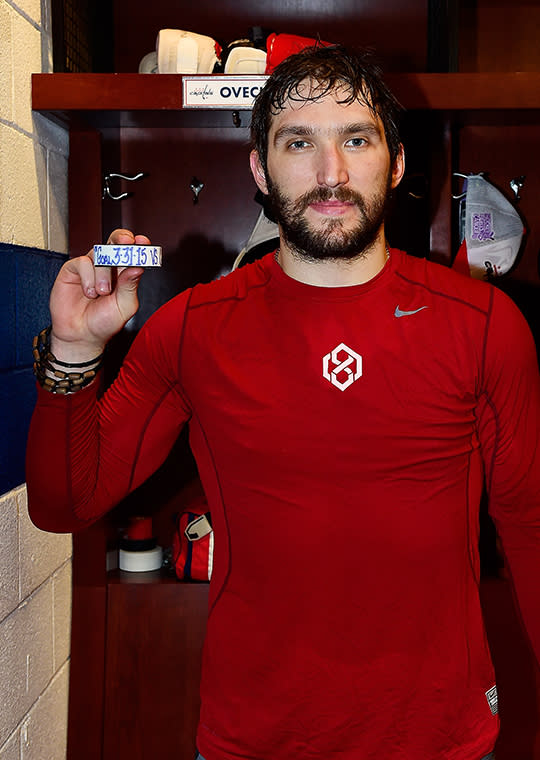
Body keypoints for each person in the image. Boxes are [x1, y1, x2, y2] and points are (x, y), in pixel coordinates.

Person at [26, 45, 540, 760]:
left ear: (394, 162)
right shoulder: (191, 328)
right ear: (261, 170)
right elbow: (64, 504)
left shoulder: (485, 325)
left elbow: (531, 524)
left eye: (355, 139)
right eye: (299, 142)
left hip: (443, 738)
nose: (330, 173)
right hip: (254, 740)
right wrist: (76, 352)